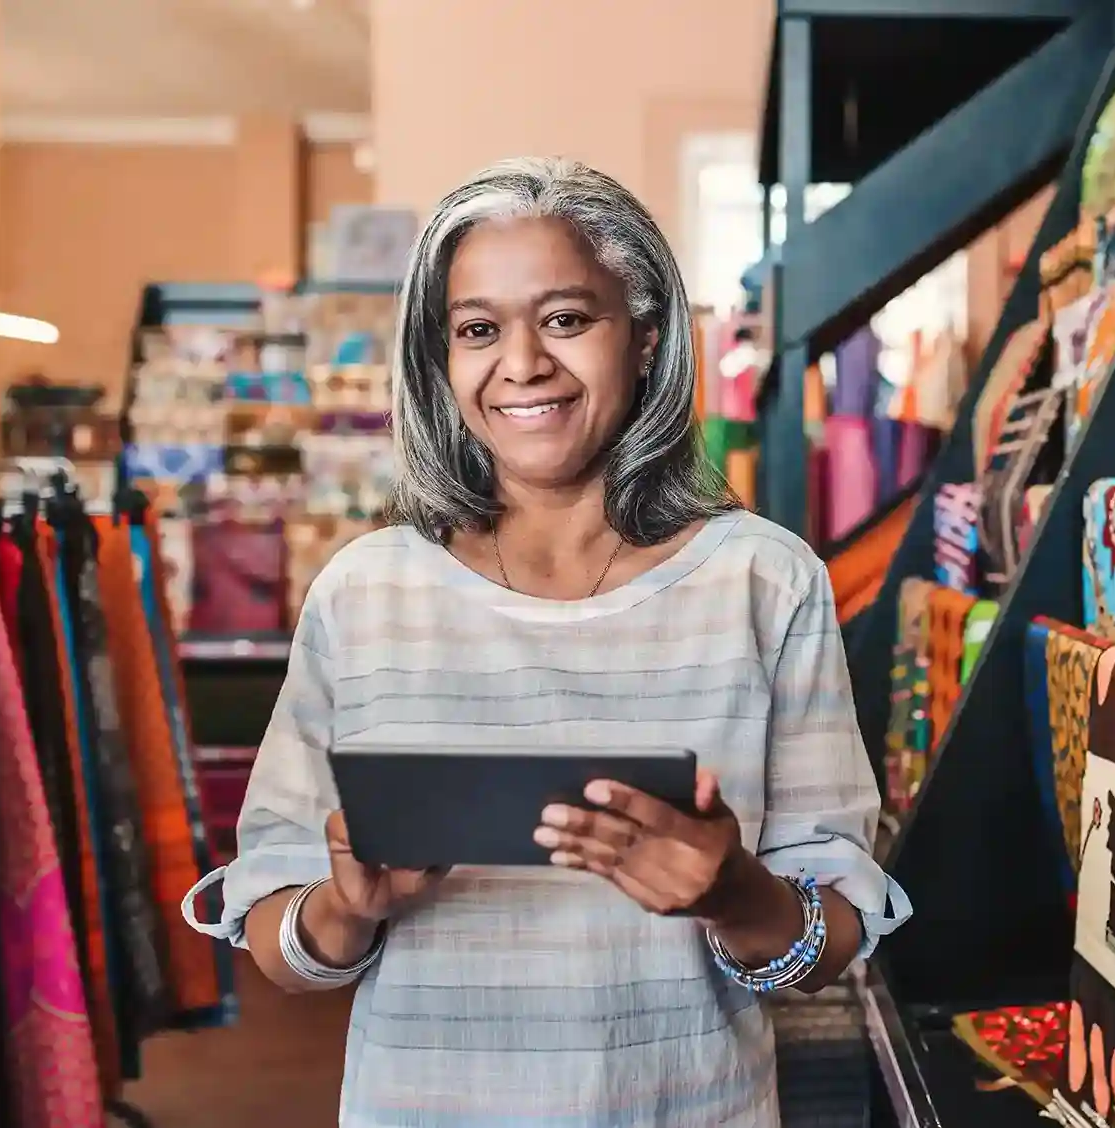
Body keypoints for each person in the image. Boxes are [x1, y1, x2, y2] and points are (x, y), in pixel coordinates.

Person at [181, 156, 910, 1127]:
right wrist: (350, 905)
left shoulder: (762, 581)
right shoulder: (366, 593)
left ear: (645, 337)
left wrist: (735, 894)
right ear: (439, 359)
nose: (521, 363)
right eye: (478, 329)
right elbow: (277, 935)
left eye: (567, 318)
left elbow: (831, 938)